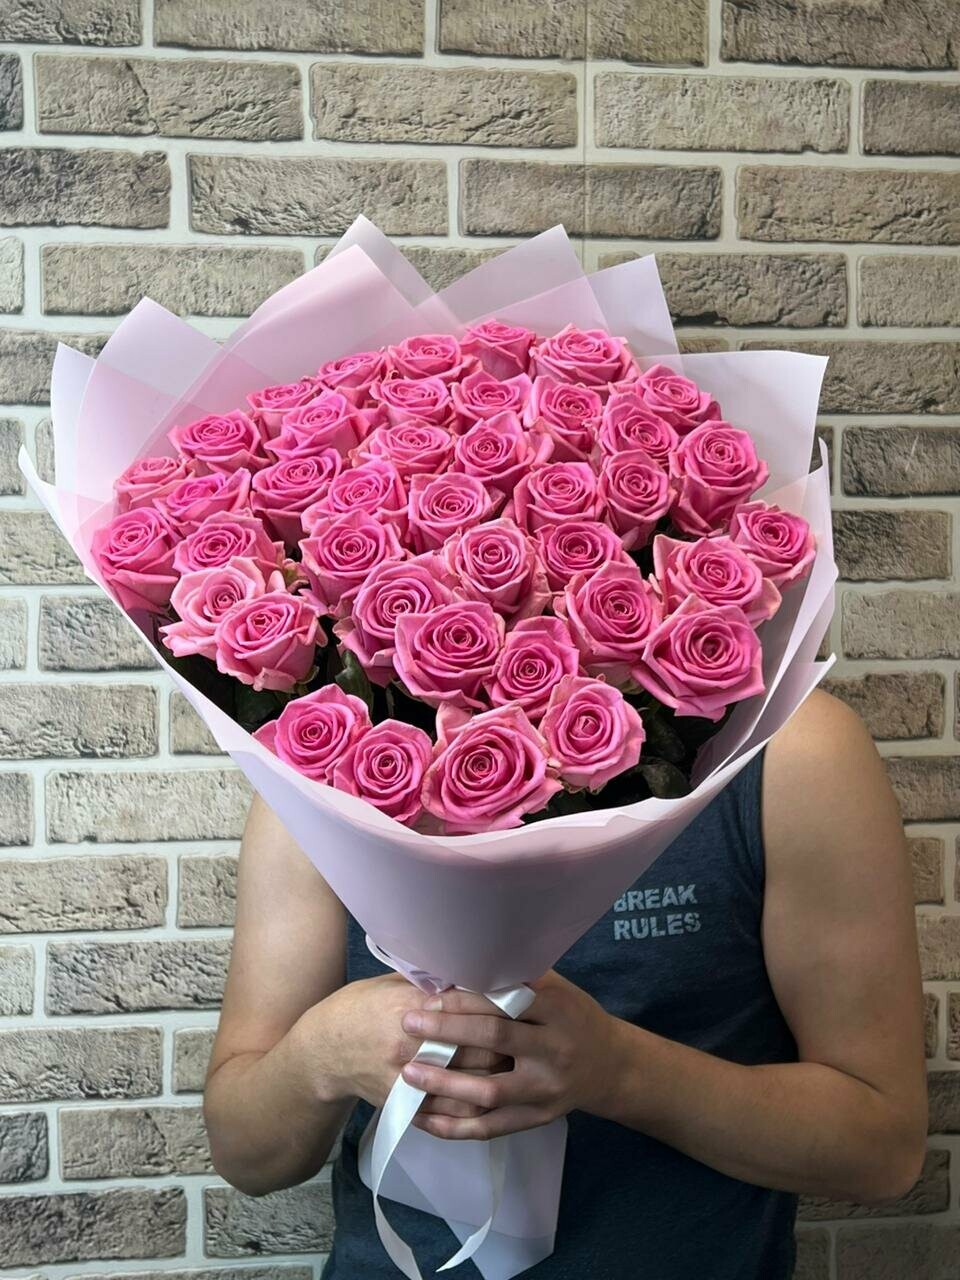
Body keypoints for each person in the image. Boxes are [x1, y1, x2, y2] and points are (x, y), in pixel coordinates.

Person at [202, 689, 928, 1279]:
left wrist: (618, 1071)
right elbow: (245, 1152)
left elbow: (881, 1150)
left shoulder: (788, 751)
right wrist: (323, 1054)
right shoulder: (318, 762)